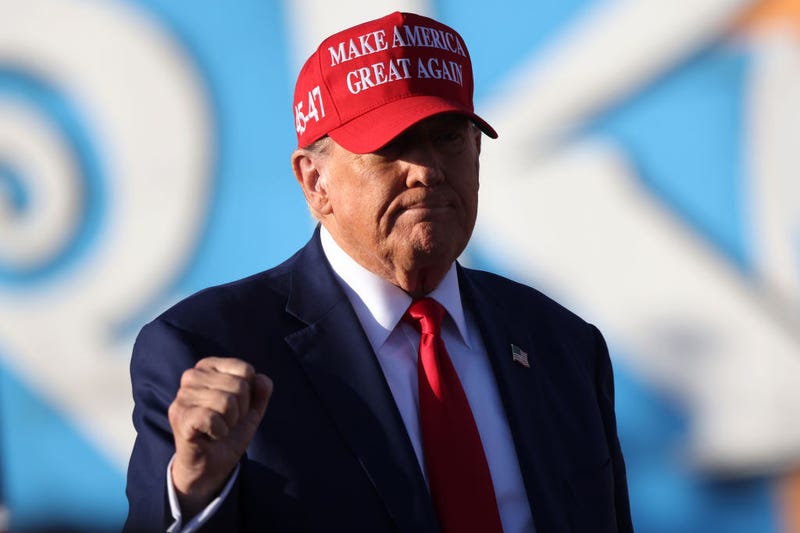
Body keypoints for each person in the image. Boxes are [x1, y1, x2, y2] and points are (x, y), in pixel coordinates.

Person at [124, 11, 633, 533]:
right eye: (393, 145)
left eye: (449, 138)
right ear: (315, 180)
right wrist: (194, 491)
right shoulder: (209, 350)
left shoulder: (564, 346)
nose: (428, 170)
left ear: (477, 153)